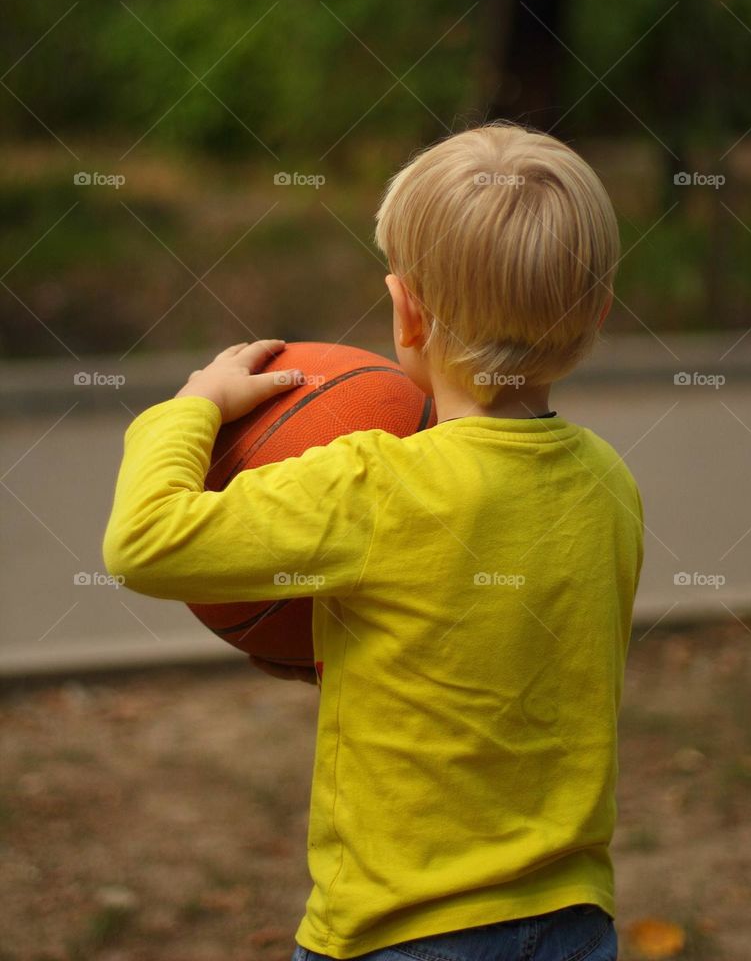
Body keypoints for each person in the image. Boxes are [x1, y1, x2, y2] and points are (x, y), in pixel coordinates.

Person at [103, 122, 644, 961]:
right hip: (571, 922)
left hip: (400, 931)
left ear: (407, 313)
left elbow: (144, 540)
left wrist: (194, 405)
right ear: (597, 315)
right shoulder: (609, 484)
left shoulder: (374, 484)